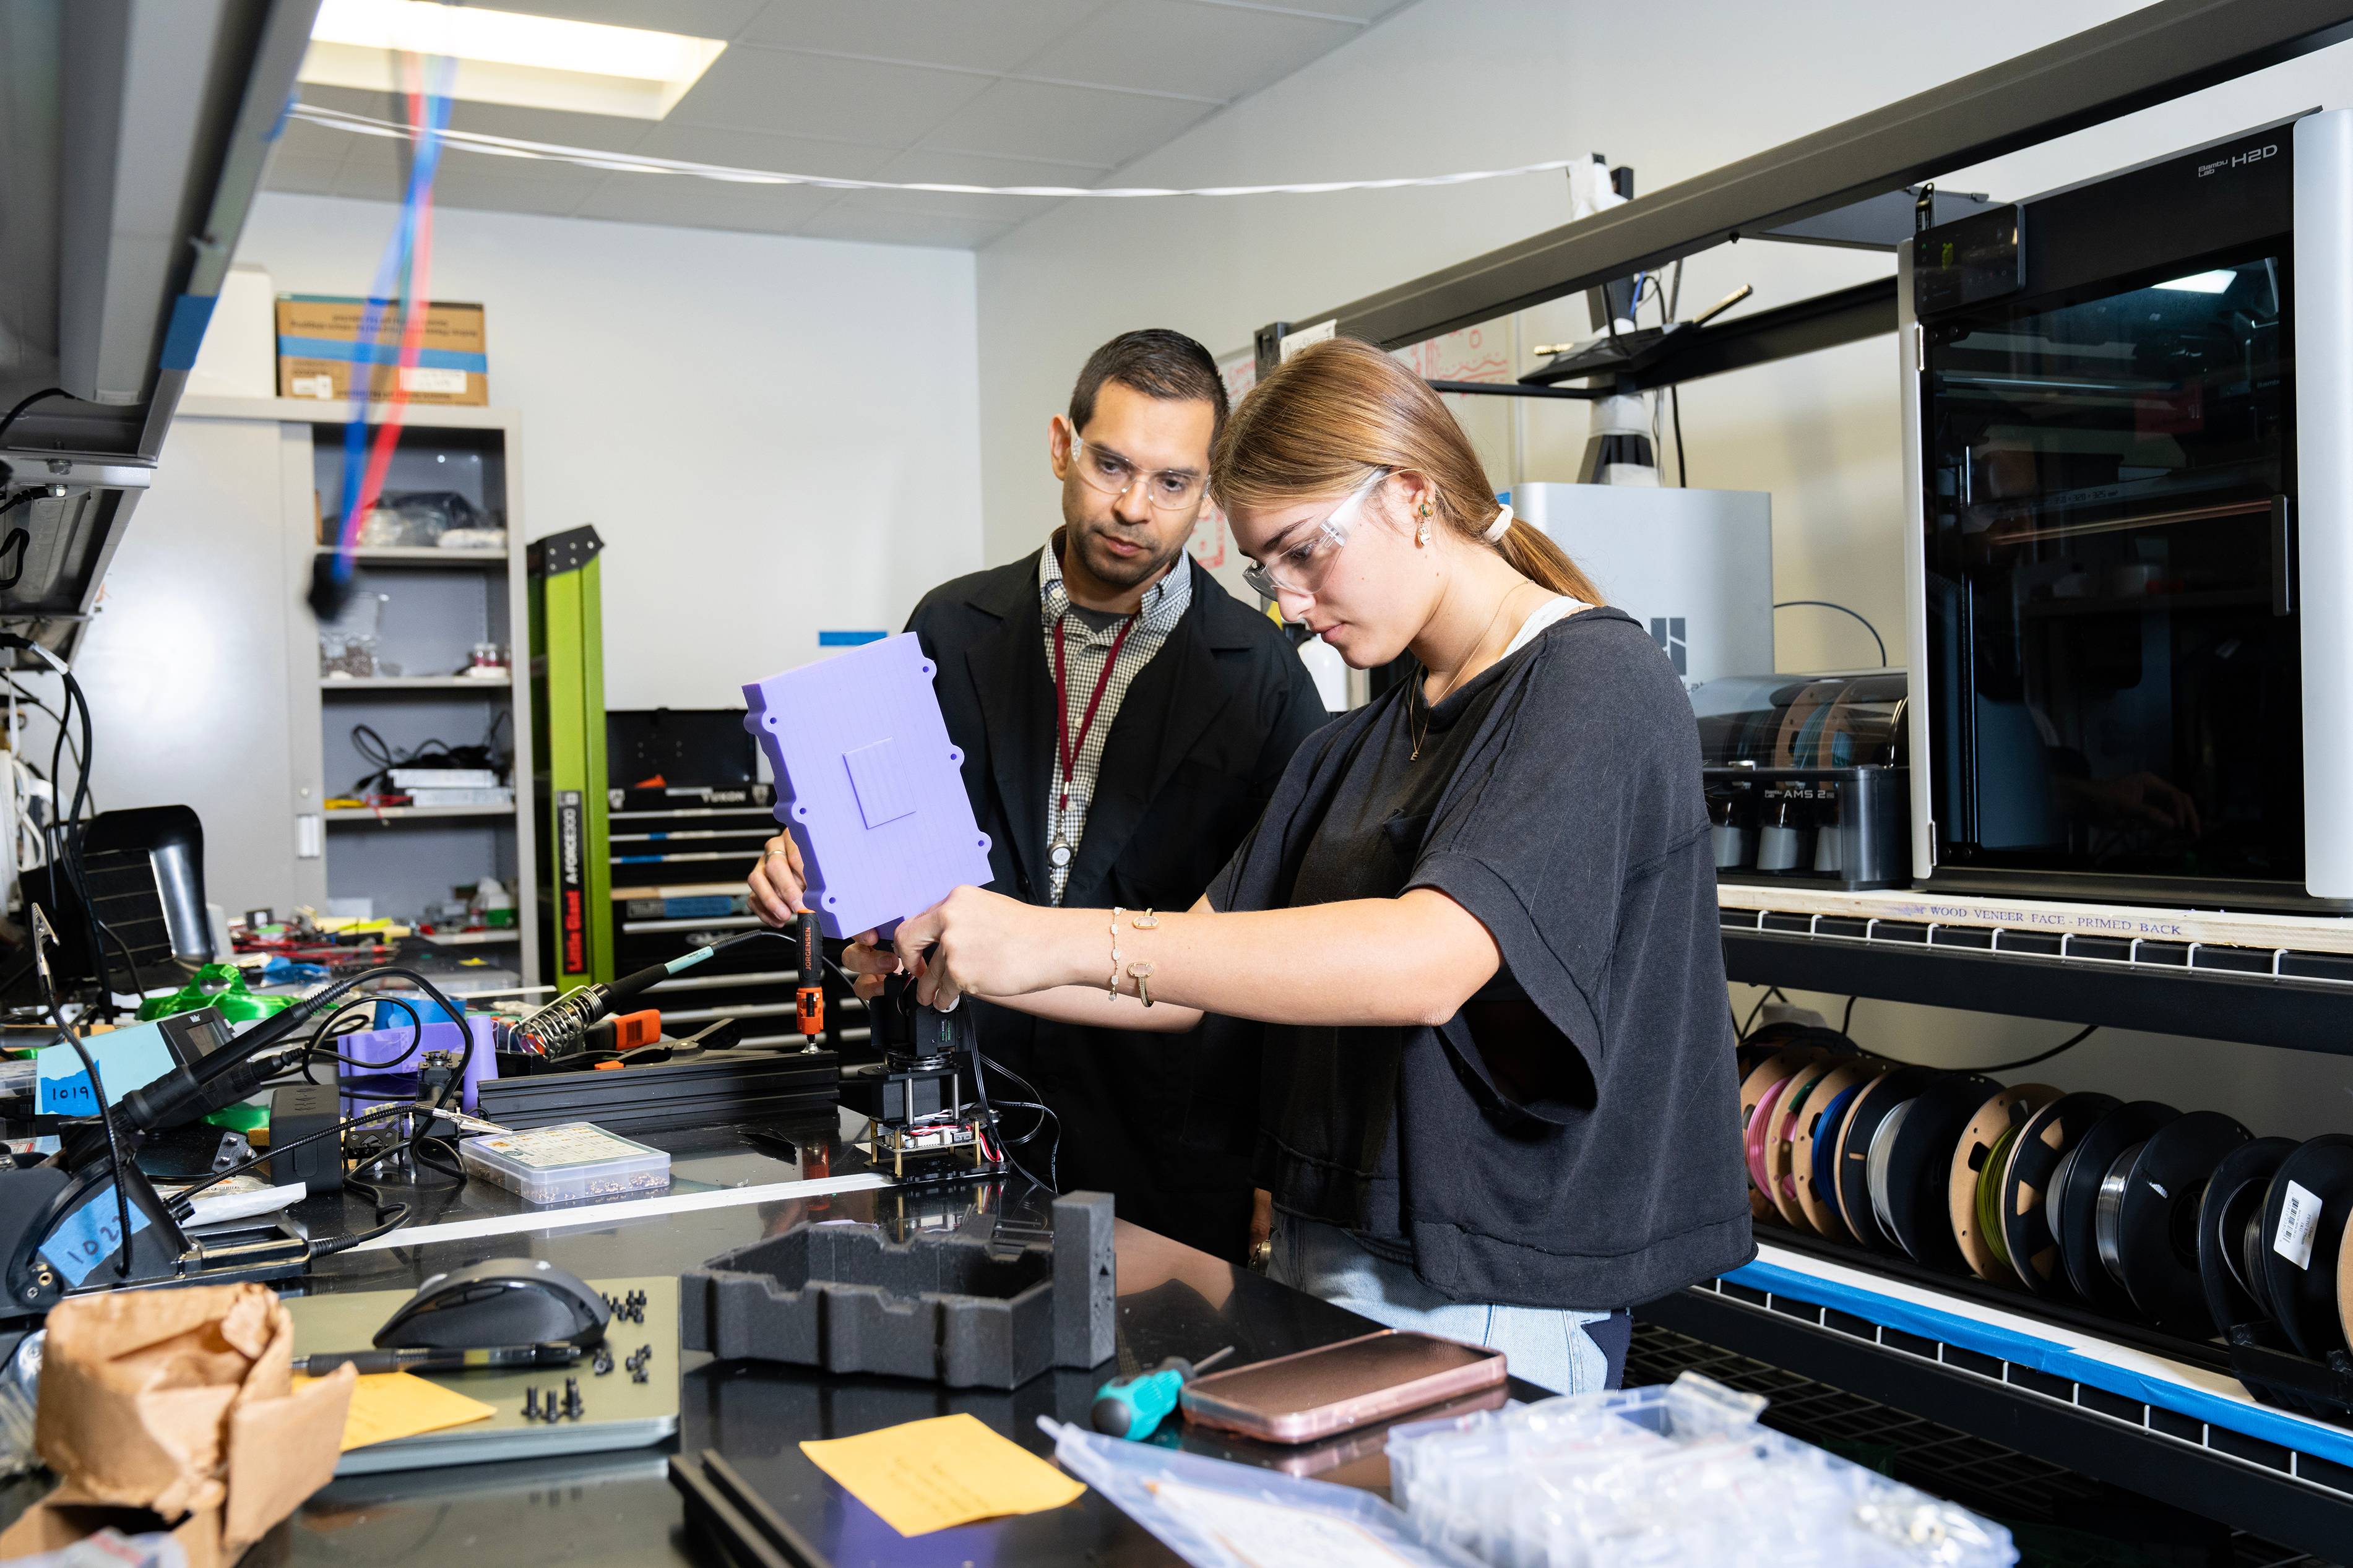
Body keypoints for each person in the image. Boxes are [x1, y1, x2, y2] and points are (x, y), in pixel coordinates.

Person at [841, 337, 1754, 1394]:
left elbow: (1425, 959)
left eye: (1303, 551)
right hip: (1334, 1257)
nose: (1284, 600)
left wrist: (1045, 935)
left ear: (1410, 495)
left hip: (1489, 1284)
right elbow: (1183, 978)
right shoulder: (1356, 744)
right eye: (1264, 569)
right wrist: (978, 947)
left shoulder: (1593, 683)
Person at [748, 329, 1329, 1262]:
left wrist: (1274, 1173)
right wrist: (812, 869)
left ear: (1206, 492)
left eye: (1172, 483)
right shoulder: (949, 625)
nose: (1134, 507)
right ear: (1063, 446)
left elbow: (1284, 947)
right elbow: (880, 857)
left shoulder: (1261, 678)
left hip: (1168, 1157)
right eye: (1110, 464)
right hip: (959, 1124)